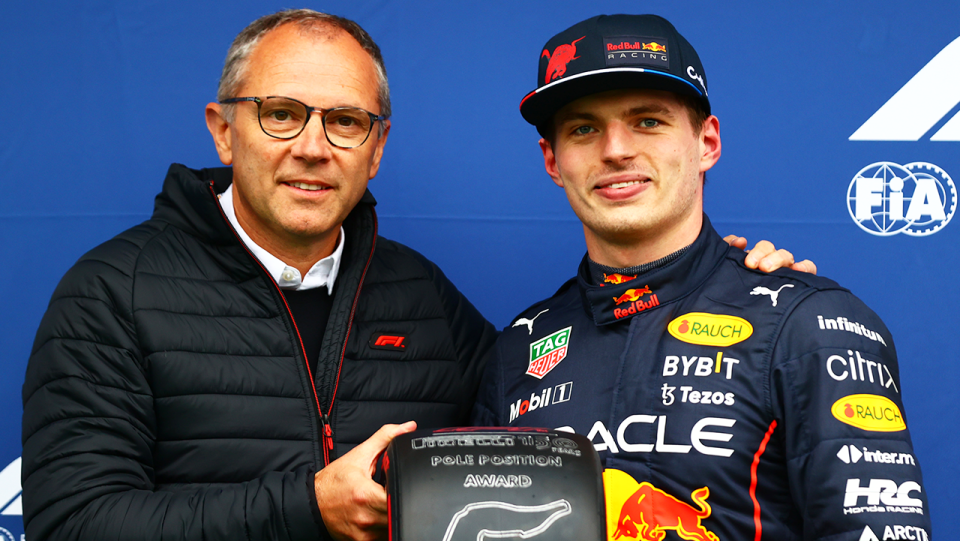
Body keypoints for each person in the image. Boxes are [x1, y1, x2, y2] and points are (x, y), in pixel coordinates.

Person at [21, 9, 810, 541]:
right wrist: (307, 505)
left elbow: (555, 413)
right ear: (223, 131)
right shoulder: (112, 293)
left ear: (377, 146)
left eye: (345, 121)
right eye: (281, 113)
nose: (311, 145)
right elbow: (74, 520)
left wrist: (725, 280)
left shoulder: (425, 300)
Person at [472, 14, 931, 541]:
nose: (616, 149)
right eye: (584, 128)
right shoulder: (517, 350)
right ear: (553, 160)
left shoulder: (811, 324)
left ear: (707, 143)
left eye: (648, 121)